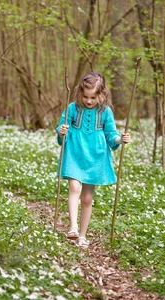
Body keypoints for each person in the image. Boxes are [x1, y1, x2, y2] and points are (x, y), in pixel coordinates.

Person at [56, 72, 131, 248]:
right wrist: (62, 131)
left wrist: (120, 139)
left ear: (102, 95)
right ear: (80, 94)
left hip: (95, 156)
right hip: (75, 153)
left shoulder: (105, 112)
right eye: (85, 97)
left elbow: (111, 134)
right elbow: (61, 128)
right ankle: (73, 227)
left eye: (93, 97)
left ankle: (82, 236)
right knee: (74, 187)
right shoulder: (73, 108)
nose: (88, 101)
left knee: (87, 198)